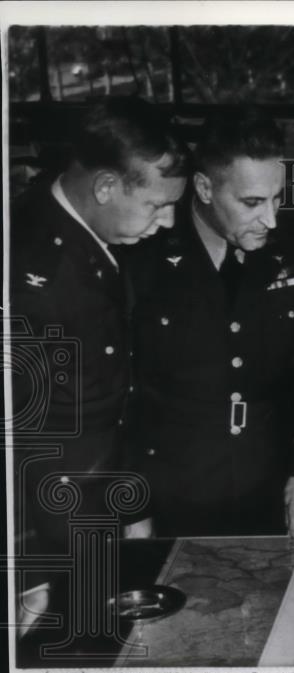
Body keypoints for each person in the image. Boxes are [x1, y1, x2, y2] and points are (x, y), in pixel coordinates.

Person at [10, 97, 187, 637]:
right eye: (157, 205)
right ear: (106, 187)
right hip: (49, 534)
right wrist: (28, 571)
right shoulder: (27, 262)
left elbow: (117, 390)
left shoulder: (98, 235)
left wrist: (133, 504)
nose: (169, 221)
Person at [122, 108, 294, 537]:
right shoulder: (144, 255)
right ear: (204, 187)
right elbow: (123, 402)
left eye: (277, 198)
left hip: (271, 496)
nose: (270, 220)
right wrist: (133, 511)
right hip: (173, 500)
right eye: (252, 203)